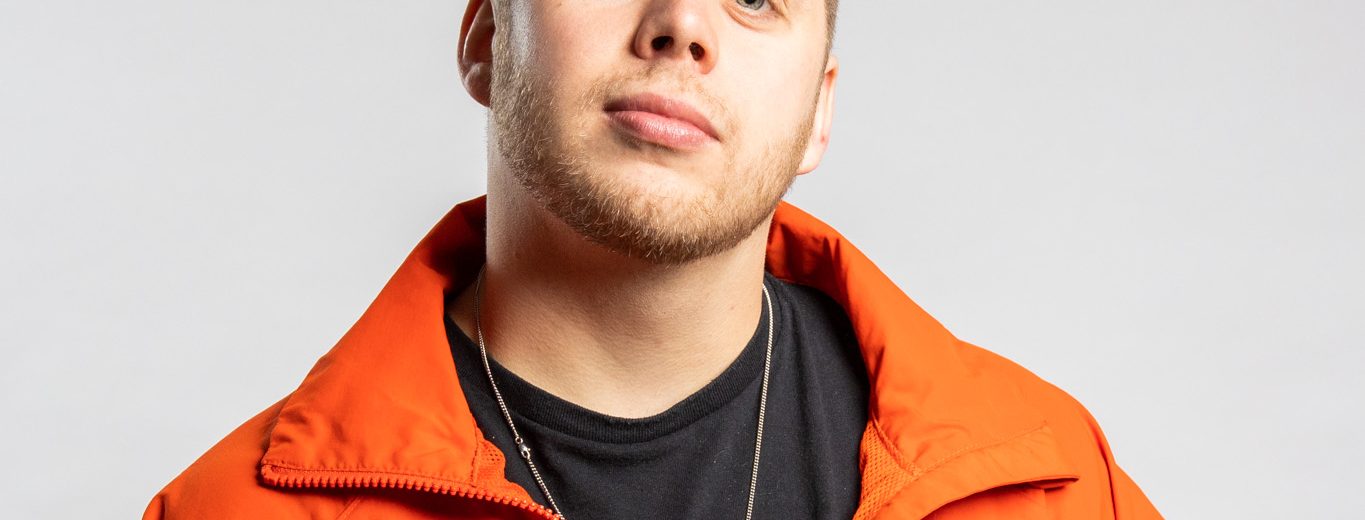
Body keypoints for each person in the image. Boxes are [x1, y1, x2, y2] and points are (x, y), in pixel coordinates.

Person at [144, 0, 1162, 518]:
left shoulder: (1052, 485)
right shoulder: (233, 514)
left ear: (818, 114)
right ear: (485, 35)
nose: (679, 24)